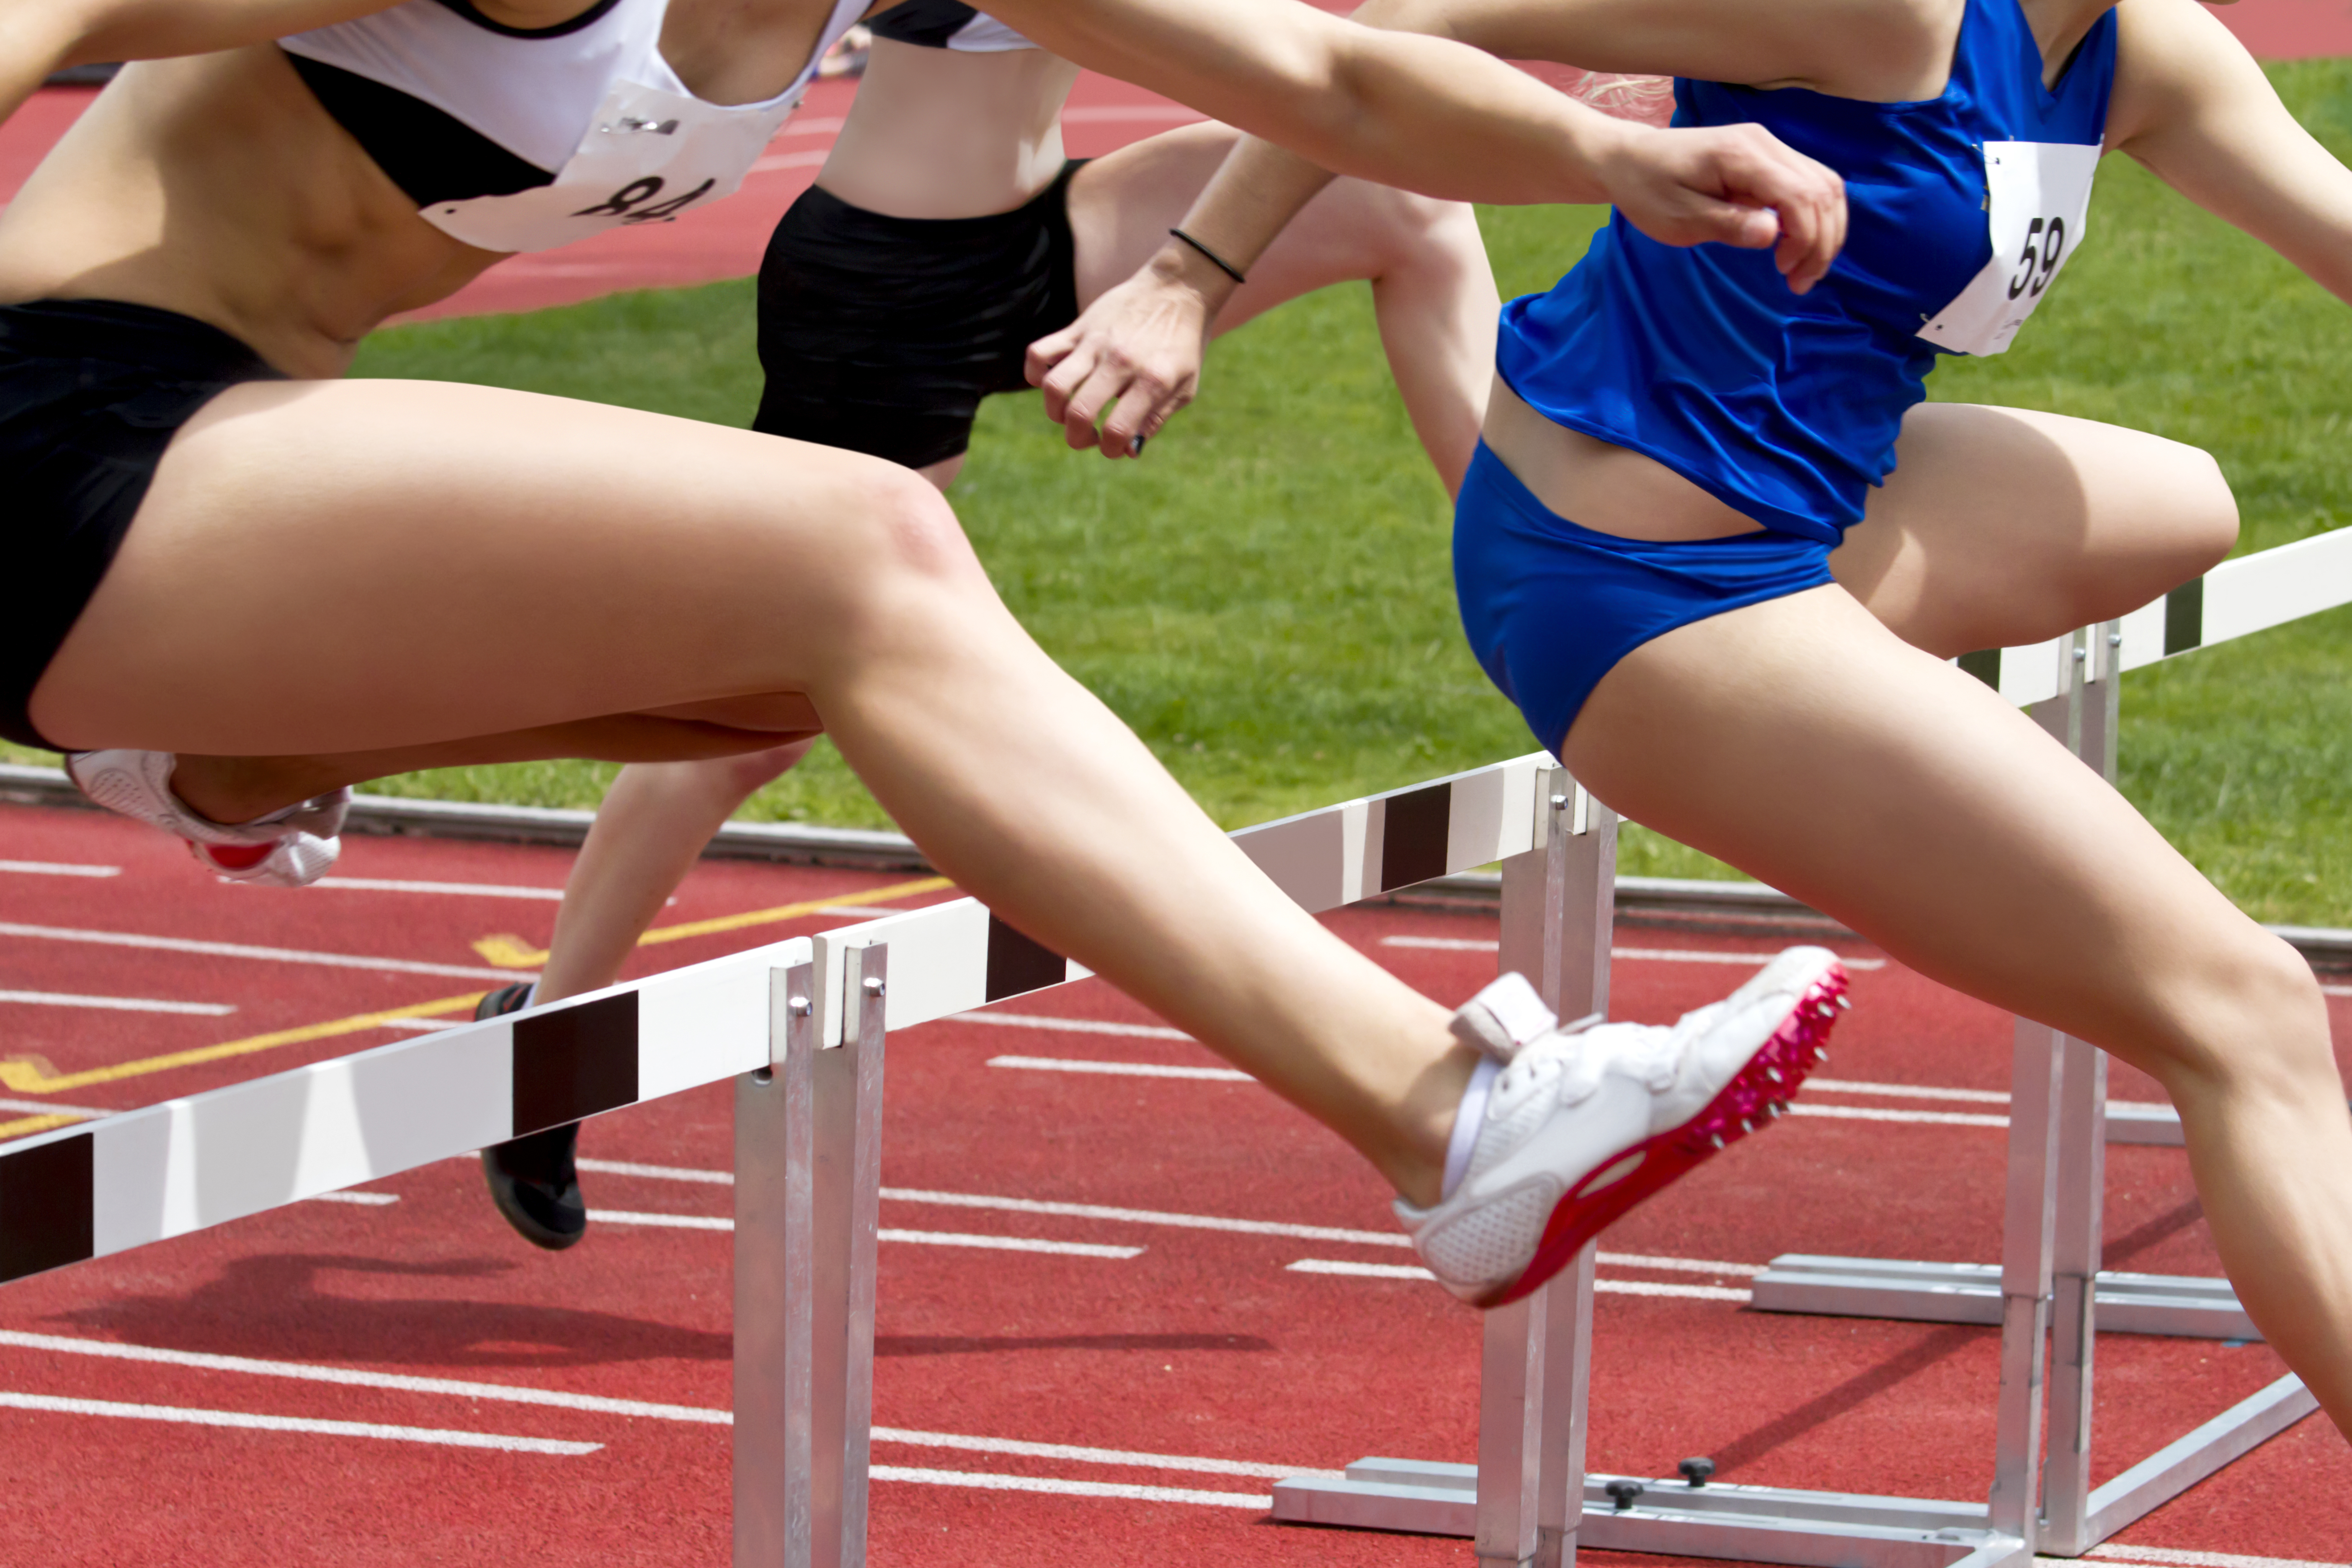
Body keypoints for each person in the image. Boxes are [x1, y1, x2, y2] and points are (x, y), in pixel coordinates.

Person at [8, 0, 1855, 1313]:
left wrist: (1614, 150)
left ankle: (218, 754)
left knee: (788, 686)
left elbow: (1324, 77)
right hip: (61, 428)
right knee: (865, 542)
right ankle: (1453, 1118)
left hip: (208, 471)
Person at [1204, 0, 2350, 1430]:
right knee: (2248, 1013)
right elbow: (1407, 20)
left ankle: (1820, 693)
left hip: (1798, 515)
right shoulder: (1886, 15)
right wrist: (1182, 280)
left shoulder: (2143, 51)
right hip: (1628, 584)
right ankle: (1772, 704)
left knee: (2186, 504)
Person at [469, 0, 1505, 1249]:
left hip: (1052, 225)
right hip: (887, 288)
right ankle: (550, 1038)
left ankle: (1530, 581)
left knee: (1410, 202)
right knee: (756, 720)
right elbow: (1291, 64)